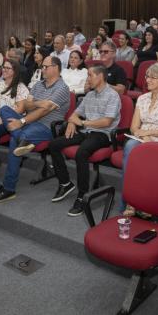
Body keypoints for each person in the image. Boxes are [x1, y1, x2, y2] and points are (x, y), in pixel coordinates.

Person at [0, 56, 71, 204]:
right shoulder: (38, 85)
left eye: (45, 67)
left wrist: (22, 120)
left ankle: (8, 188)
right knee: (5, 109)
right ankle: (23, 139)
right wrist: (39, 104)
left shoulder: (62, 88)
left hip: (46, 127)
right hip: (30, 123)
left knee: (13, 139)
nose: (42, 69)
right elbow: (26, 105)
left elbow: (44, 111)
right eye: (42, 66)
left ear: (56, 68)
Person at [48, 65, 121, 217]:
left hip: (103, 135)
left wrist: (82, 123)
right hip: (86, 131)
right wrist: (72, 122)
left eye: (90, 75)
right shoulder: (89, 96)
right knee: (54, 144)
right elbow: (74, 114)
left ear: (100, 76)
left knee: (82, 152)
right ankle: (65, 183)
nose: (88, 79)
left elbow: (106, 122)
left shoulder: (112, 95)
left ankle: (82, 195)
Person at [120, 62, 158, 216]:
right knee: (130, 146)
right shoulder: (142, 99)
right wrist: (144, 135)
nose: (147, 80)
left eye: (153, 77)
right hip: (141, 138)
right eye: (147, 76)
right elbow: (134, 127)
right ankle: (131, 201)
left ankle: (138, 202)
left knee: (132, 148)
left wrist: (151, 133)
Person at [0, 59, 30, 140]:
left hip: (6, 120)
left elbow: (21, 109)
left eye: (8, 68)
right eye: (3, 67)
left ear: (15, 71)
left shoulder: (21, 88)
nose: (4, 70)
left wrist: (2, 119)